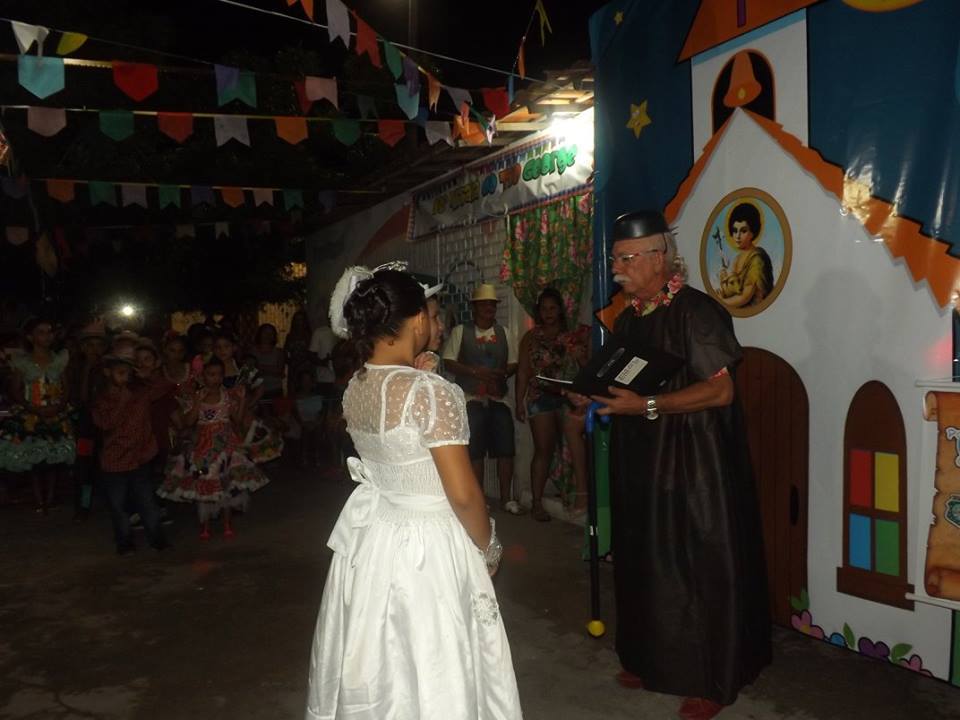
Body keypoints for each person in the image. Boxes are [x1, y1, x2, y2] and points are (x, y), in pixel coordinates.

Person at [576, 210, 771, 720]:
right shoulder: (630, 317)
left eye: (626, 258)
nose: (617, 267)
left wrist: (645, 406)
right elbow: (624, 380)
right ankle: (649, 657)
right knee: (644, 556)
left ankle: (712, 677)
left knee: (696, 563)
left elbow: (720, 391)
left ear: (659, 257)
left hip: (693, 460)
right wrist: (593, 396)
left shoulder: (697, 312)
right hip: (642, 457)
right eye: (615, 258)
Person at [305, 264, 521, 720]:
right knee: (433, 655)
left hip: (376, 538)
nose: (437, 324)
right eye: (434, 315)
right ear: (418, 319)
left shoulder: (357, 385)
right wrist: (489, 545)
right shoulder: (430, 391)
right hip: (428, 544)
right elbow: (463, 495)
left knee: (385, 657)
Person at [158, 357, 269, 539]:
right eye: (211, 374)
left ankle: (227, 523)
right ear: (203, 376)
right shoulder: (197, 396)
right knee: (205, 482)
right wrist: (197, 402)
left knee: (226, 485)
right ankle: (205, 526)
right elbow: (188, 422)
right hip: (204, 447)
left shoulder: (227, 395)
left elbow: (238, 420)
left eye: (218, 374)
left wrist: (242, 400)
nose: (215, 378)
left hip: (226, 446)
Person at [442, 283, 522, 515]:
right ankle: (479, 499)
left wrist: (502, 374)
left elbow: (513, 363)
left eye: (492, 304)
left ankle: (507, 498)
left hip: (498, 398)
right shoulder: (460, 331)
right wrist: (475, 372)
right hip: (470, 398)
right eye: (484, 304)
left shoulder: (504, 332)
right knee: (474, 448)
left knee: (506, 446)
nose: (489, 308)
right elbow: (448, 361)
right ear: (474, 307)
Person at [515, 288, 589, 521]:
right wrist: (519, 401)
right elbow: (523, 372)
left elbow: (588, 367)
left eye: (552, 308)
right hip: (540, 396)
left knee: (572, 448)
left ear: (560, 310)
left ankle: (576, 496)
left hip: (569, 396)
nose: (548, 313)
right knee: (543, 449)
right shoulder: (531, 337)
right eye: (544, 309)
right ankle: (536, 503)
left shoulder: (572, 335)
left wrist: (580, 355)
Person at [91, 347, 171, 555]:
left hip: (140, 457)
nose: (125, 376)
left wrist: (148, 376)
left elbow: (166, 387)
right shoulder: (102, 398)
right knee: (118, 506)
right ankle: (125, 542)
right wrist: (123, 400)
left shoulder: (141, 392)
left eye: (128, 371)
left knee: (147, 502)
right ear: (107, 372)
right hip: (114, 461)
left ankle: (157, 539)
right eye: (120, 372)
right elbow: (106, 424)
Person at [0, 318, 75, 514]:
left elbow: (66, 388)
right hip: (31, 416)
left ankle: (50, 498)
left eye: (49, 332)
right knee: (35, 459)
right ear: (30, 337)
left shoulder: (59, 359)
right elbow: (15, 389)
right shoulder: (22, 362)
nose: (47, 336)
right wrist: (32, 408)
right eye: (41, 332)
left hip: (55, 413)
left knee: (53, 459)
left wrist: (59, 406)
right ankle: (38, 499)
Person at [717, 201, 774, 309]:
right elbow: (734, 291)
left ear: (752, 232)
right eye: (735, 231)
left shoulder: (757, 259)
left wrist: (721, 301)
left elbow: (745, 297)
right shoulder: (737, 259)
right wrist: (724, 282)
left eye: (743, 231)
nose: (737, 236)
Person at [252, 323, 286, 403]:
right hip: (256, 390)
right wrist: (272, 370)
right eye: (265, 332)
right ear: (260, 334)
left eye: (271, 333)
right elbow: (250, 372)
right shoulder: (252, 352)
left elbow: (279, 370)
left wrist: (259, 367)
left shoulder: (279, 352)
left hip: (275, 389)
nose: (268, 335)